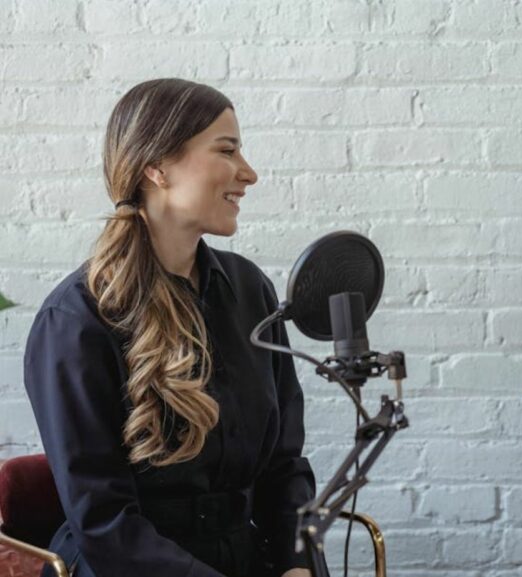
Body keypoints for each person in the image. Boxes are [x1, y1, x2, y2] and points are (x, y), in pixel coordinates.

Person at [23, 79, 315, 577]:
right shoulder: (73, 322)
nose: (250, 173)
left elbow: (283, 466)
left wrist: (297, 563)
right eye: (227, 150)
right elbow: (104, 523)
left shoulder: (250, 292)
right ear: (156, 167)